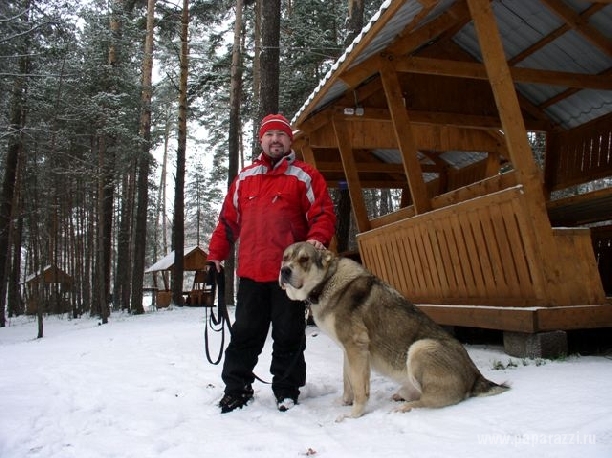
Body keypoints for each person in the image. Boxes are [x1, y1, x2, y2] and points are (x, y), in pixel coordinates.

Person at [207, 113, 336, 413]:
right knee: (245, 334)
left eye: (281, 135)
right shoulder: (245, 178)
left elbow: (322, 214)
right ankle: (236, 388)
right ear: (261, 140)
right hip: (252, 273)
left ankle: (287, 390)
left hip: (290, 276)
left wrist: (317, 238)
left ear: (290, 140)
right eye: (270, 135)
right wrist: (215, 254)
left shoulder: (305, 176)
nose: (275, 140)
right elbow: (228, 222)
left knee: (289, 335)